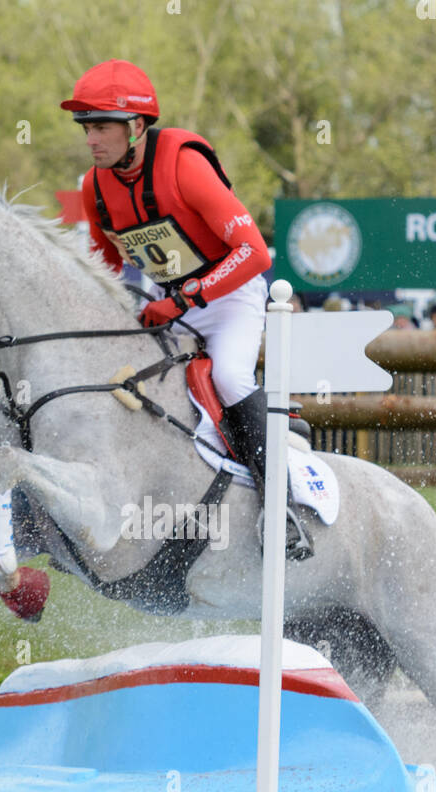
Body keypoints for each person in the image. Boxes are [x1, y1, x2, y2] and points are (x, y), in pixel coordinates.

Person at [62, 58, 311, 558]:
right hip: (168, 302)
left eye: (102, 126)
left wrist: (186, 298)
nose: (91, 139)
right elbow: (105, 268)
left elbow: (255, 254)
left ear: (136, 126)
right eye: (86, 127)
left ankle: (281, 508)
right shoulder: (93, 188)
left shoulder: (183, 163)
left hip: (230, 294)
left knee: (231, 379)